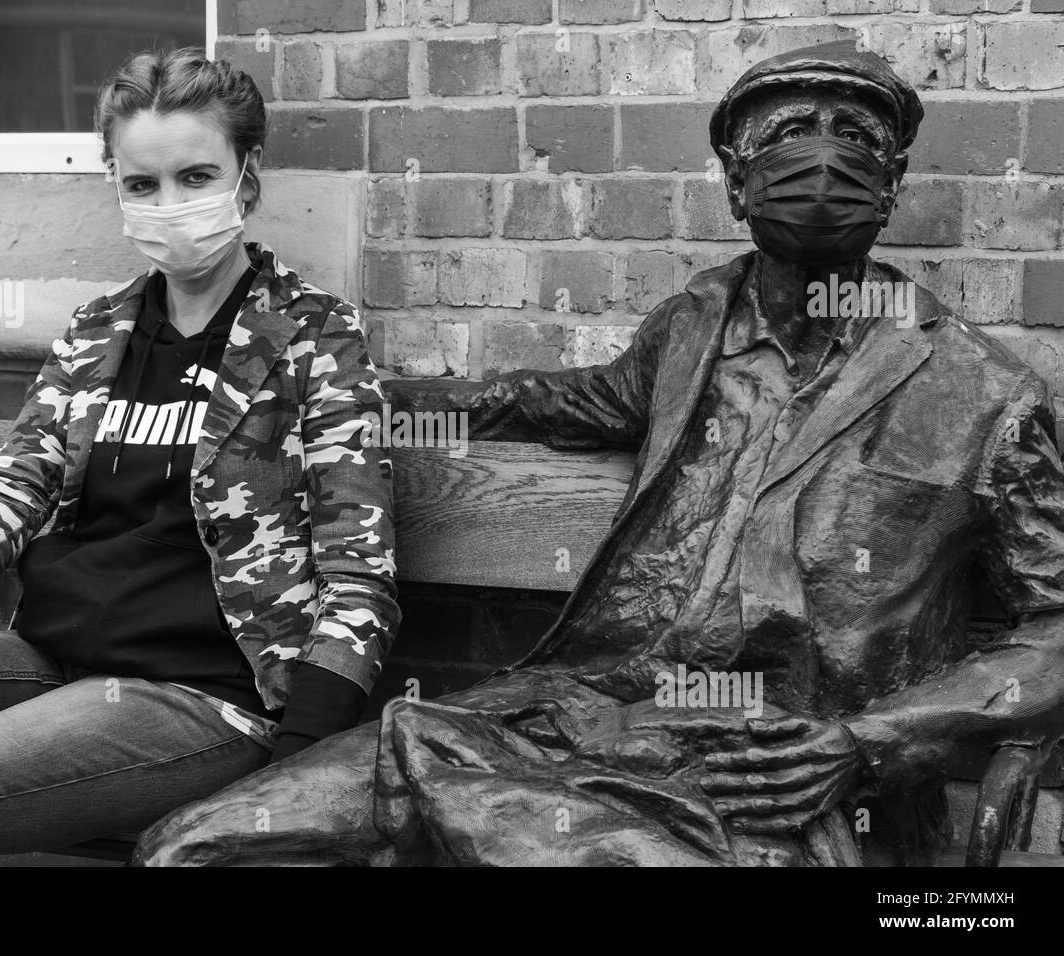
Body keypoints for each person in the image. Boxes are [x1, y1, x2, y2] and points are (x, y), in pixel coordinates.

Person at [134, 40, 1064, 867]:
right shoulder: (695, 328)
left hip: (771, 771)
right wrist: (363, 397)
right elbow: (556, 402)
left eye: (855, 136)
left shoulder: (981, 393)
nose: (823, 157)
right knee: (188, 847)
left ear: (893, 180)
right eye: (790, 132)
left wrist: (874, 742)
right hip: (572, 716)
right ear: (736, 182)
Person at [0, 49, 399, 866]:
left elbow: (360, 577)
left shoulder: (315, 338)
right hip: (50, 661)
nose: (169, 204)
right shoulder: (96, 332)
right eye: (142, 185)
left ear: (247, 177)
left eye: (196, 176)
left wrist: (299, 765)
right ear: (116, 186)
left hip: (204, 697)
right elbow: (11, 487)